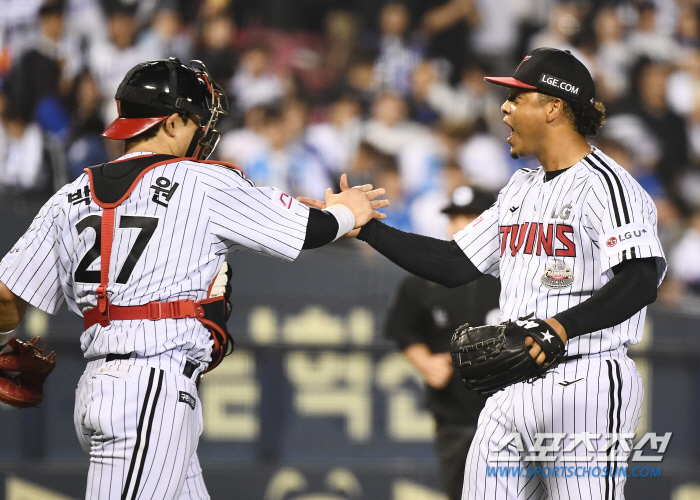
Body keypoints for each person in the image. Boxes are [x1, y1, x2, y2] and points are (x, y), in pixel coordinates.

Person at [0, 58, 388, 500]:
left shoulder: (69, 195)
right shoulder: (201, 181)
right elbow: (309, 231)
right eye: (197, 120)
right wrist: (348, 210)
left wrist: (5, 341)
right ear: (172, 123)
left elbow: (5, 298)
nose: (202, 131)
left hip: (102, 387)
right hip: (150, 390)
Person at [301, 47, 666, 499]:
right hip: (514, 382)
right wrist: (368, 230)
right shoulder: (519, 187)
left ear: (554, 107)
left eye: (517, 97)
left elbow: (640, 279)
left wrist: (559, 328)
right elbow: (456, 263)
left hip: (587, 381)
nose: (504, 107)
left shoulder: (607, 185)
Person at [384, 186, 500, 500]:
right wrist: (425, 362)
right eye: (454, 217)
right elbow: (403, 328)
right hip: (455, 415)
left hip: (513, 413)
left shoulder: (515, 273)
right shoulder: (425, 276)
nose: (460, 225)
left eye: (470, 217)